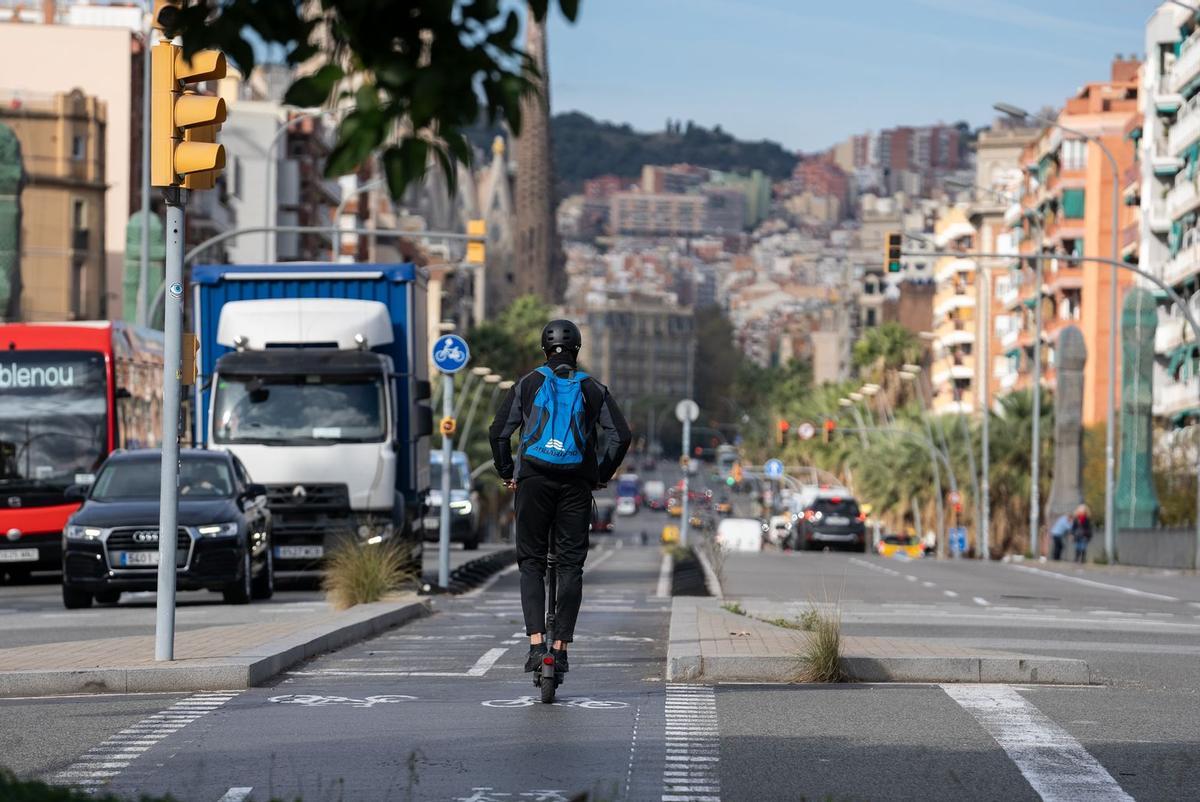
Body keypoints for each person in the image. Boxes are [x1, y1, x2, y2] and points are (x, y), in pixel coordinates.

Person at [489, 319, 632, 677]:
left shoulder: (528, 383)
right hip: (576, 486)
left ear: (544, 349)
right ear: (577, 350)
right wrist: (600, 475)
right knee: (570, 565)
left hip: (534, 481)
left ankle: (537, 644)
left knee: (532, 563)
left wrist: (508, 472)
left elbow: (498, 433)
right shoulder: (593, 388)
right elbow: (622, 437)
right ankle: (561, 648)